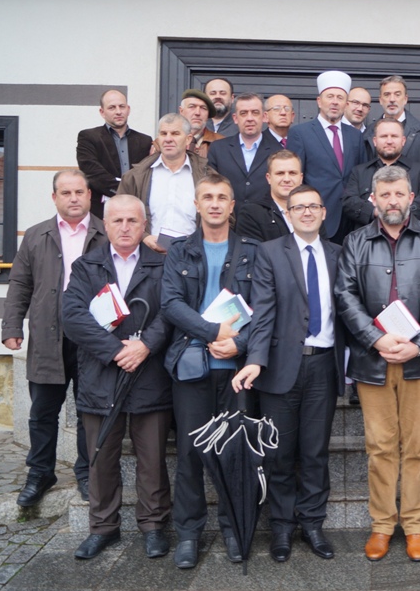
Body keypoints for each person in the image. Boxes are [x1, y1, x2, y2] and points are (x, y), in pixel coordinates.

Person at [335, 166, 420, 563]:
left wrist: (418, 344)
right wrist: (376, 338)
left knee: (419, 446)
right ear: (373, 199)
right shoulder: (355, 242)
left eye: (399, 194)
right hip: (373, 361)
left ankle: (416, 525)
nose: (392, 201)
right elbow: (345, 296)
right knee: (380, 446)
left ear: (411, 198)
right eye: (385, 195)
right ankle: (383, 524)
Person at [233, 185, 346, 563]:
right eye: (299, 207)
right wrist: (255, 359)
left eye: (313, 206)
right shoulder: (270, 252)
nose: (307, 212)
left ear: (324, 212)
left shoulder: (338, 253)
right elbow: (263, 310)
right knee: (279, 453)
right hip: (281, 366)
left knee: (314, 451)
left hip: (323, 365)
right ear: (289, 213)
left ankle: (312, 523)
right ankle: (281, 525)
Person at [62, 194, 172, 561]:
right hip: (100, 375)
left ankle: (153, 526)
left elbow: (171, 311)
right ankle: (103, 527)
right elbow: (73, 316)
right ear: (105, 225)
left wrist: (146, 346)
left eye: (132, 221)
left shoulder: (162, 265)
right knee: (101, 458)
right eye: (117, 221)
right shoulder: (86, 266)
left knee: (152, 459)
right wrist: (116, 350)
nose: (125, 227)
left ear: (144, 226)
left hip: (150, 374)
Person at [160, 173, 259, 569]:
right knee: (189, 452)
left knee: (235, 453)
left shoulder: (253, 251)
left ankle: (234, 528)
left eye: (222, 197)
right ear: (197, 205)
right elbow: (170, 303)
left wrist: (240, 344)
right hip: (191, 366)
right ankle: (189, 534)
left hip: (236, 369)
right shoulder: (179, 252)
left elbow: (265, 308)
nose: (215, 204)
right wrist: (212, 331)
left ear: (232, 206)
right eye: (208, 197)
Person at [2, 170, 106, 506]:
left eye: (79, 192)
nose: (73, 198)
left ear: (89, 195)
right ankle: (40, 473)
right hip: (48, 336)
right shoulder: (36, 235)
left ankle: (87, 473)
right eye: (66, 192)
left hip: (92, 338)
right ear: (54, 197)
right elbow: (20, 283)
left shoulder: (106, 233)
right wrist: (12, 327)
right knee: (43, 411)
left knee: (89, 411)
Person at [289, 71, 369, 243]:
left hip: (352, 220)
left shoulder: (355, 135)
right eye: (330, 96)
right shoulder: (300, 133)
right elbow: (296, 179)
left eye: (340, 98)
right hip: (318, 217)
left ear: (346, 103)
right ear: (319, 101)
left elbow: (363, 176)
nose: (335, 102)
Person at [117, 113, 212, 253]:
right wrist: (144, 237)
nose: (168, 139)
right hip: (148, 256)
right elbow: (118, 214)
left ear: (188, 139)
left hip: (193, 256)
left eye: (175, 133)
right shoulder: (136, 176)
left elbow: (224, 217)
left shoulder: (207, 176)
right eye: (163, 134)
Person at [342, 117, 420, 229]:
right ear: (374, 141)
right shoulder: (359, 172)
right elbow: (349, 202)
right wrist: (375, 212)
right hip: (368, 237)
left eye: (394, 136)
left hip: (410, 236)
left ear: (403, 141)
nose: (389, 141)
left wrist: (396, 214)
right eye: (384, 136)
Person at [76, 89, 152, 219]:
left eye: (122, 106)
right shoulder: (88, 137)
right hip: (101, 211)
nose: (118, 111)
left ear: (128, 109)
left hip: (136, 212)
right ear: (102, 112)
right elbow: (93, 173)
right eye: (112, 107)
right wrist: (126, 192)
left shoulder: (145, 141)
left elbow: (145, 175)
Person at [207, 92, 282, 221]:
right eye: (243, 113)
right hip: (227, 223)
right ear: (235, 118)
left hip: (265, 224)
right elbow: (211, 187)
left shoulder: (278, 151)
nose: (249, 118)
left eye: (255, 112)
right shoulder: (218, 148)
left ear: (264, 117)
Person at [235, 149, 302, 242]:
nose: (286, 179)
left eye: (292, 173)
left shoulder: (313, 210)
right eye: (280, 173)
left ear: (301, 178)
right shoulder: (251, 213)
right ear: (269, 178)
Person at [371, 75, 420, 165]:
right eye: (387, 94)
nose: (392, 99)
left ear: (405, 99)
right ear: (380, 100)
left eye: (397, 94)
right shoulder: (369, 132)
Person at [179, 89, 224, 158]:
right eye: (192, 107)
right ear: (181, 111)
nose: (197, 113)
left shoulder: (221, 143)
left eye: (203, 108)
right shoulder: (167, 139)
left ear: (208, 114)